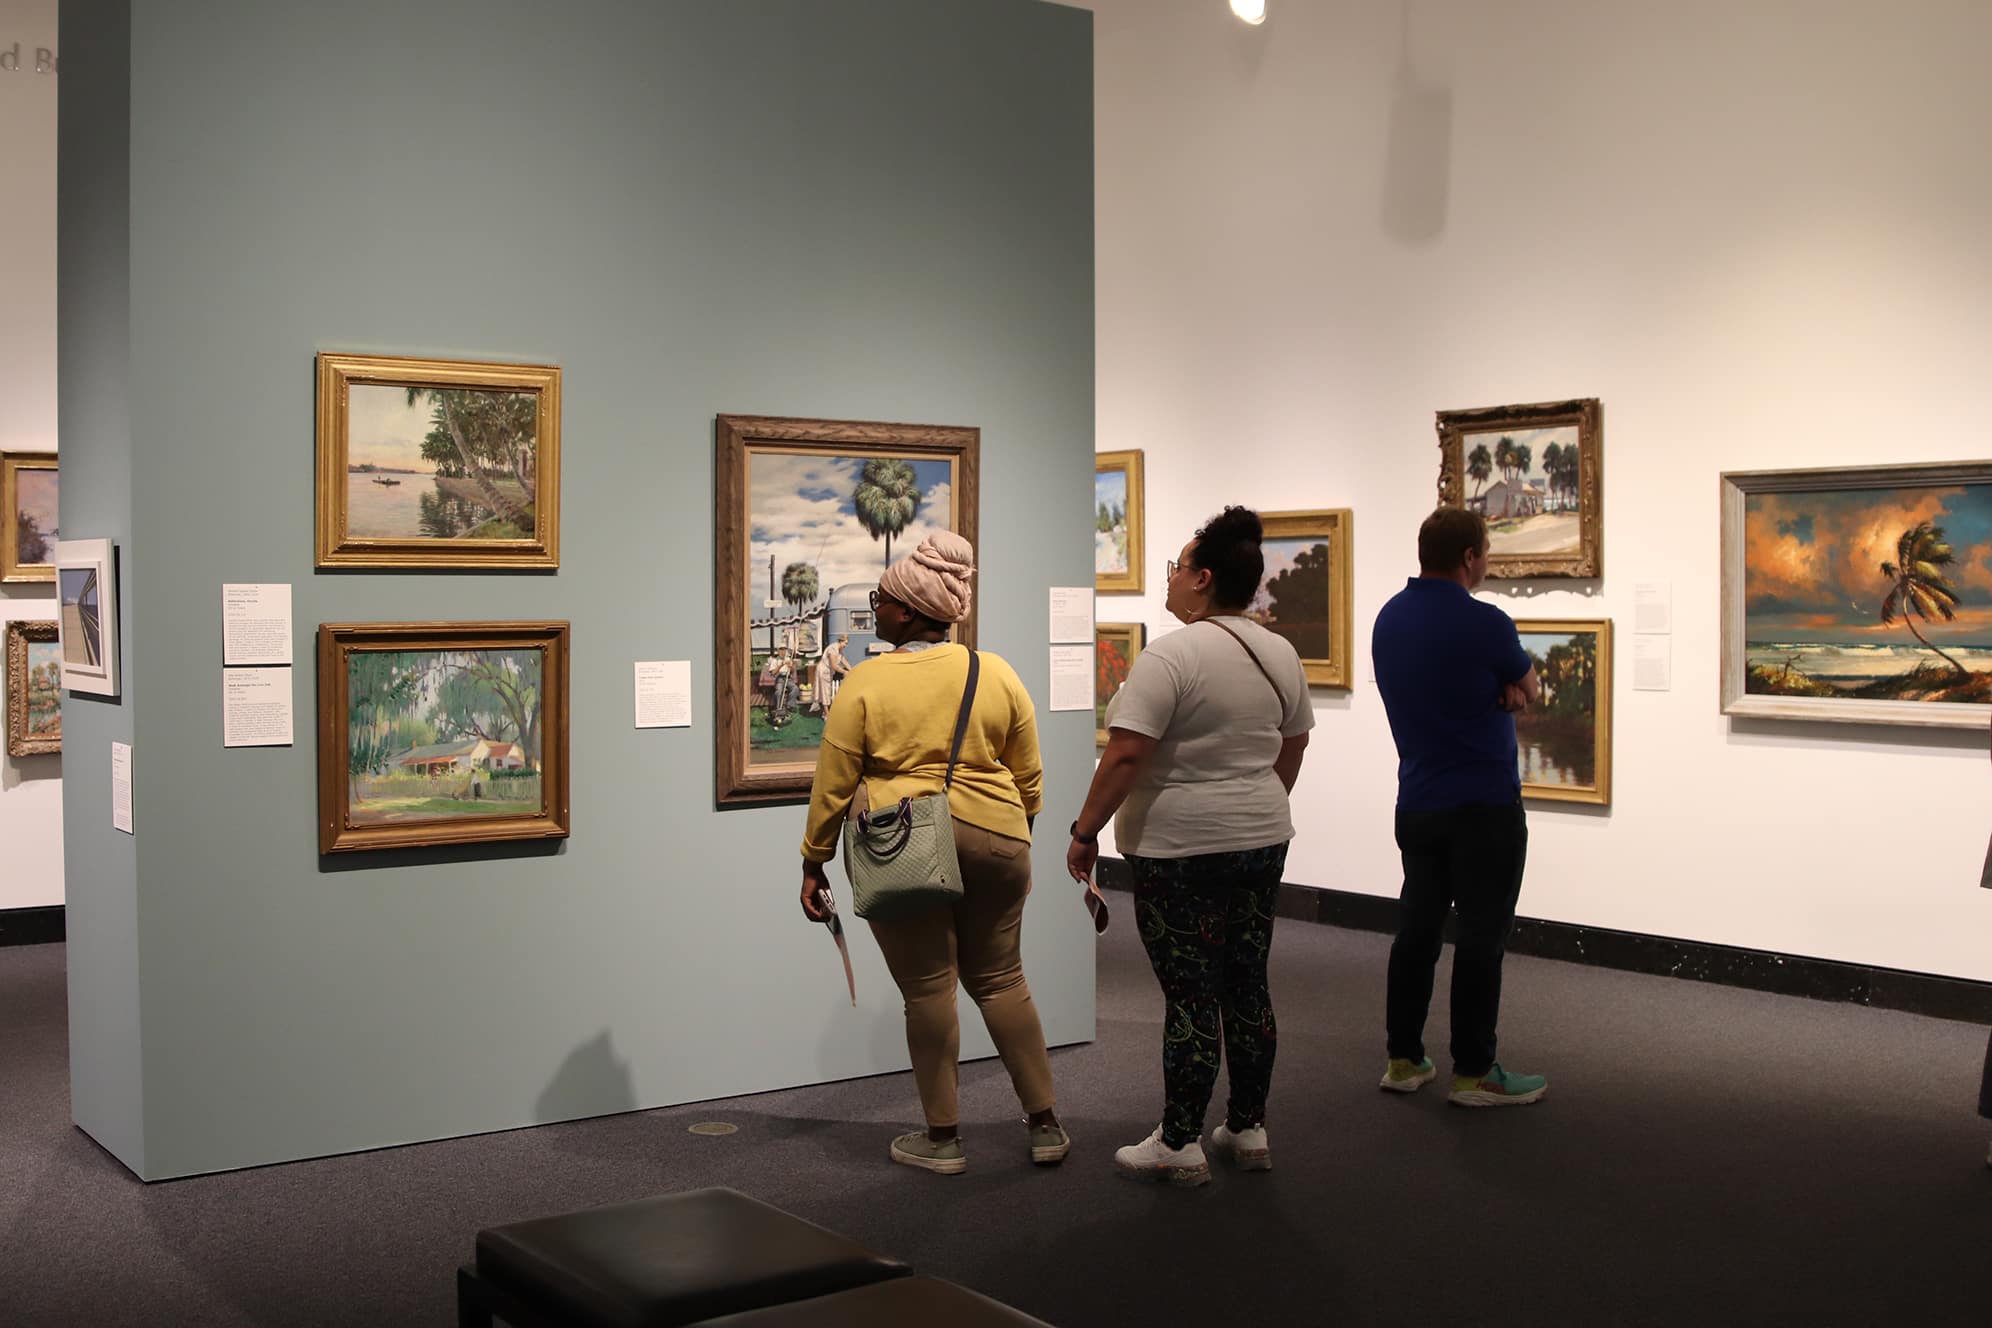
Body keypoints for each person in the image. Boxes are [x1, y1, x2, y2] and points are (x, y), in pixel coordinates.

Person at [798, 532, 1066, 1174]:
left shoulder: (866, 681)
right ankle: (1046, 1127)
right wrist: (1014, 836)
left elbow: (833, 782)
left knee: (928, 990)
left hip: (905, 844)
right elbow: (1028, 773)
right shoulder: (993, 670)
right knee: (1003, 979)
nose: (876, 609)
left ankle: (943, 1140)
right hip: (1000, 835)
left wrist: (814, 862)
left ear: (911, 612)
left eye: (881, 600)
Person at [1066, 506, 1313, 1186]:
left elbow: (1124, 756)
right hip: (1262, 838)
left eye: (1176, 567)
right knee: (1247, 983)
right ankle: (1248, 1126)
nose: (1169, 579)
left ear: (1202, 579)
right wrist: (1257, 805)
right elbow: (1292, 746)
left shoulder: (1171, 655)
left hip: (1178, 849)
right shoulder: (1279, 651)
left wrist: (1083, 832)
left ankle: (1180, 1141)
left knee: (1191, 994)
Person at [1371, 507, 1546, 1107]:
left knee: (1416, 930)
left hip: (1418, 801)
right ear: (1470, 557)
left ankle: (1403, 1058)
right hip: (1486, 806)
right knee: (1480, 936)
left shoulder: (1388, 619)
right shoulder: (1486, 623)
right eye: (1486, 552)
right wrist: (1506, 689)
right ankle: (1474, 1072)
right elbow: (1535, 689)